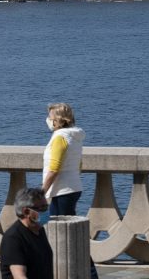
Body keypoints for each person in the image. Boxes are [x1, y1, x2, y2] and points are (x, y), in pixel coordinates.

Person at [41, 102, 98, 279]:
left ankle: (89, 273)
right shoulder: (74, 137)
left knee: (64, 236)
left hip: (61, 191)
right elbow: (79, 164)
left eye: (50, 118)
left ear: (57, 120)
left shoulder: (60, 137)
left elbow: (54, 168)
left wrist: (41, 192)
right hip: (72, 188)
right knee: (56, 232)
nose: (48, 121)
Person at [0, 186, 53, 279]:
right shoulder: (13, 239)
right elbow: (20, 276)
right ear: (26, 211)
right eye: (42, 208)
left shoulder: (39, 230)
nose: (46, 211)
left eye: (46, 207)